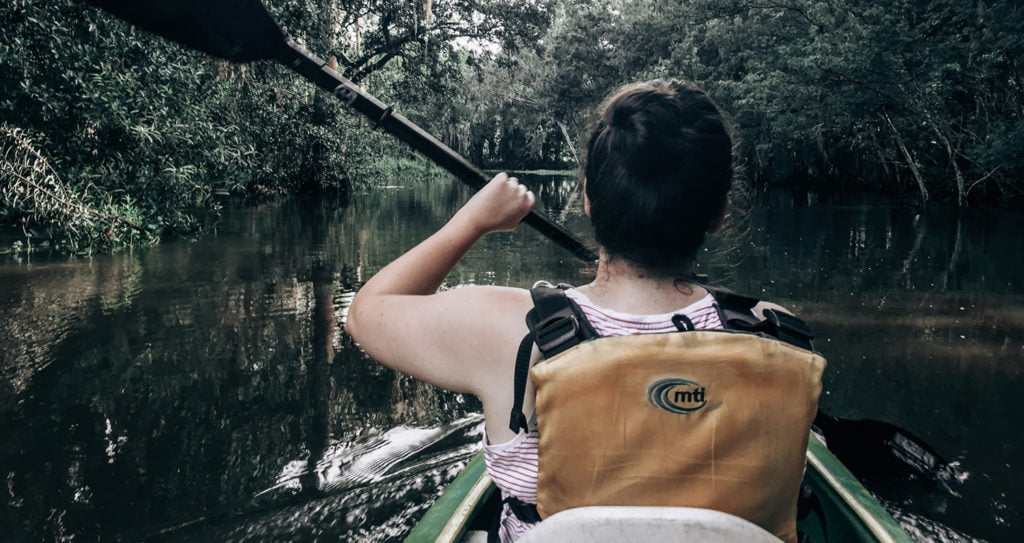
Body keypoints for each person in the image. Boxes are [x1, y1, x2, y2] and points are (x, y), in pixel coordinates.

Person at [345, 79, 820, 542]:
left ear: (589, 199)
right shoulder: (776, 335)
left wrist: (472, 222)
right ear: (719, 214)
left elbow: (366, 312)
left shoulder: (512, 333)